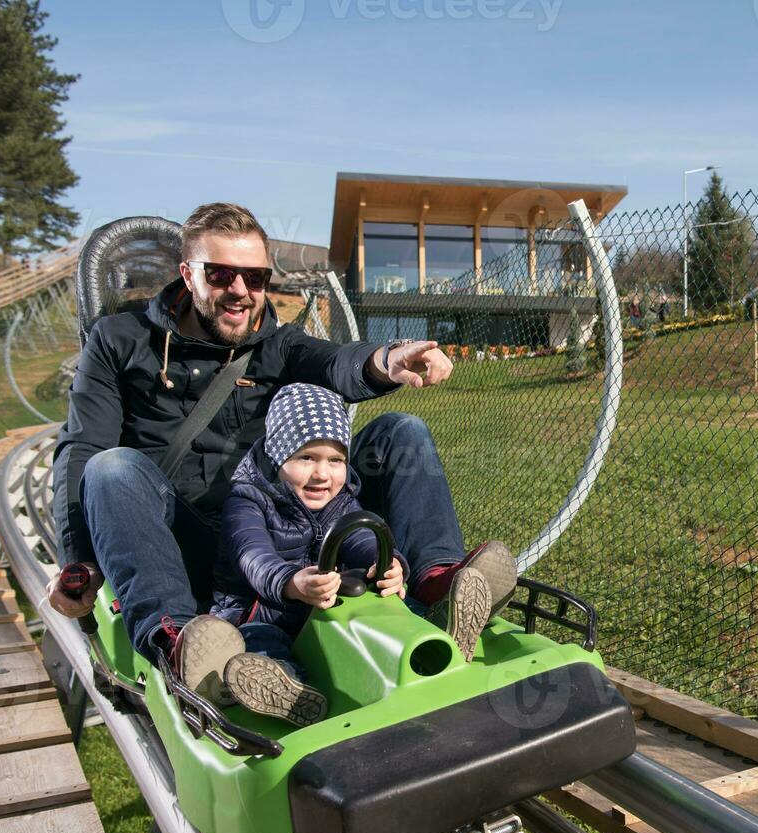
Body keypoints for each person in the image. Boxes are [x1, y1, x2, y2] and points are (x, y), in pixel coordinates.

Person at [48, 202, 512, 699]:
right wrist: (78, 561)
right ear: (188, 274)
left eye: (256, 276)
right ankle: (180, 640)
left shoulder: (277, 344)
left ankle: (436, 583)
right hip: (180, 538)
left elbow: (338, 364)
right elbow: (82, 447)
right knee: (111, 467)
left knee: (403, 430)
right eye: (222, 274)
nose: (241, 292)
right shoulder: (119, 340)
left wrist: (388, 357)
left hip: (279, 528)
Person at [206, 383, 515, 725]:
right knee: (258, 641)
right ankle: (291, 690)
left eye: (335, 460)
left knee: (390, 603)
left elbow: (362, 538)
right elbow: (253, 557)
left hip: (328, 609)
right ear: (279, 456)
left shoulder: (338, 497)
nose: (323, 474)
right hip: (265, 610)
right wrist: (291, 583)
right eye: (306, 457)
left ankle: (440, 628)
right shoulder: (248, 500)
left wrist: (387, 563)